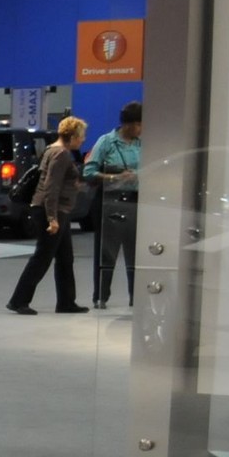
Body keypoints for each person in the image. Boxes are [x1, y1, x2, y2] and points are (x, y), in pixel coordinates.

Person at [6, 116, 89, 315]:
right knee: (43, 257)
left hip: (56, 209)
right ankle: (19, 300)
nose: (83, 140)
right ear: (73, 136)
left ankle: (66, 301)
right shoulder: (61, 154)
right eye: (81, 136)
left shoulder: (51, 150)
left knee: (65, 257)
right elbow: (51, 187)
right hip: (52, 210)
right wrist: (52, 218)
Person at [88, 101, 142, 308]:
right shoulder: (106, 142)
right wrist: (114, 177)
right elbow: (88, 172)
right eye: (139, 124)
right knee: (107, 252)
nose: (141, 129)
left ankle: (136, 297)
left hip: (137, 201)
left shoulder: (142, 144)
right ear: (130, 124)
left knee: (135, 253)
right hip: (110, 202)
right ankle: (101, 296)